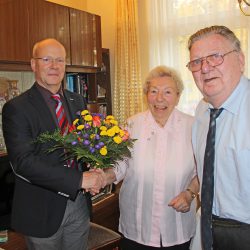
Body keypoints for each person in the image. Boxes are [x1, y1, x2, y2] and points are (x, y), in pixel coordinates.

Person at [2, 38, 105, 250]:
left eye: (59, 60)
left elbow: (86, 145)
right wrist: (79, 179)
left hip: (78, 205)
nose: (54, 66)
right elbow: (23, 162)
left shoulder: (77, 100)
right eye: (47, 59)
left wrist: (94, 169)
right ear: (33, 64)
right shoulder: (16, 108)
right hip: (42, 210)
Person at [102, 65, 199, 250]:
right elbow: (120, 164)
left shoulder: (193, 127)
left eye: (167, 92)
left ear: (178, 96)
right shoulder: (132, 124)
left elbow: (202, 171)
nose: (159, 98)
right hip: (137, 226)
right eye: (153, 91)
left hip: (176, 227)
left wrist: (189, 194)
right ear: (146, 95)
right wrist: (102, 177)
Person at [187, 25, 250, 250]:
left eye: (215, 56)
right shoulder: (202, 112)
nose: (205, 68)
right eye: (196, 62)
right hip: (209, 227)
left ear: (240, 60)